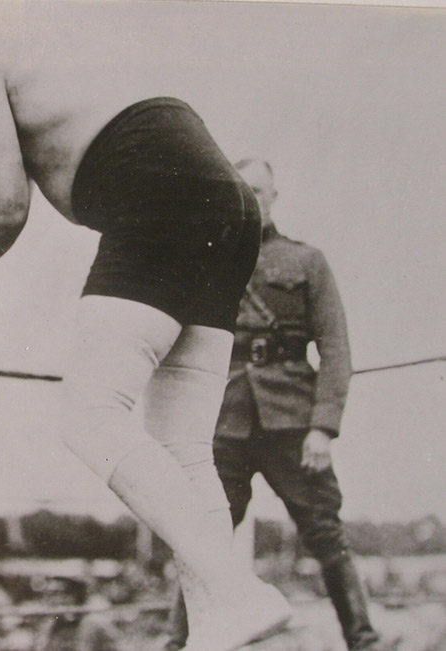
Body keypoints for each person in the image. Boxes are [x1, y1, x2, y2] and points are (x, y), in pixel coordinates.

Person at [0, 1, 291, 649]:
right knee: (182, 446)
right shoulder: (29, 45)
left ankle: (235, 591)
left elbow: (7, 208)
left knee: (91, 415)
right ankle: (219, 616)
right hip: (219, 197)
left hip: (159, 193)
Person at [165, 159, 382, 650]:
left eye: (259, 191)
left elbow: (335, 348)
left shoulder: (307, 262)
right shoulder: (204, 261)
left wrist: (323, 428)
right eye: (242, 191)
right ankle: (176, 644)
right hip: (225, 423)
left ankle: (364, 642)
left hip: (293, 421)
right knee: (202, 539)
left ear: (275, 195)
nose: (252, 200)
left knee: (326, 535)